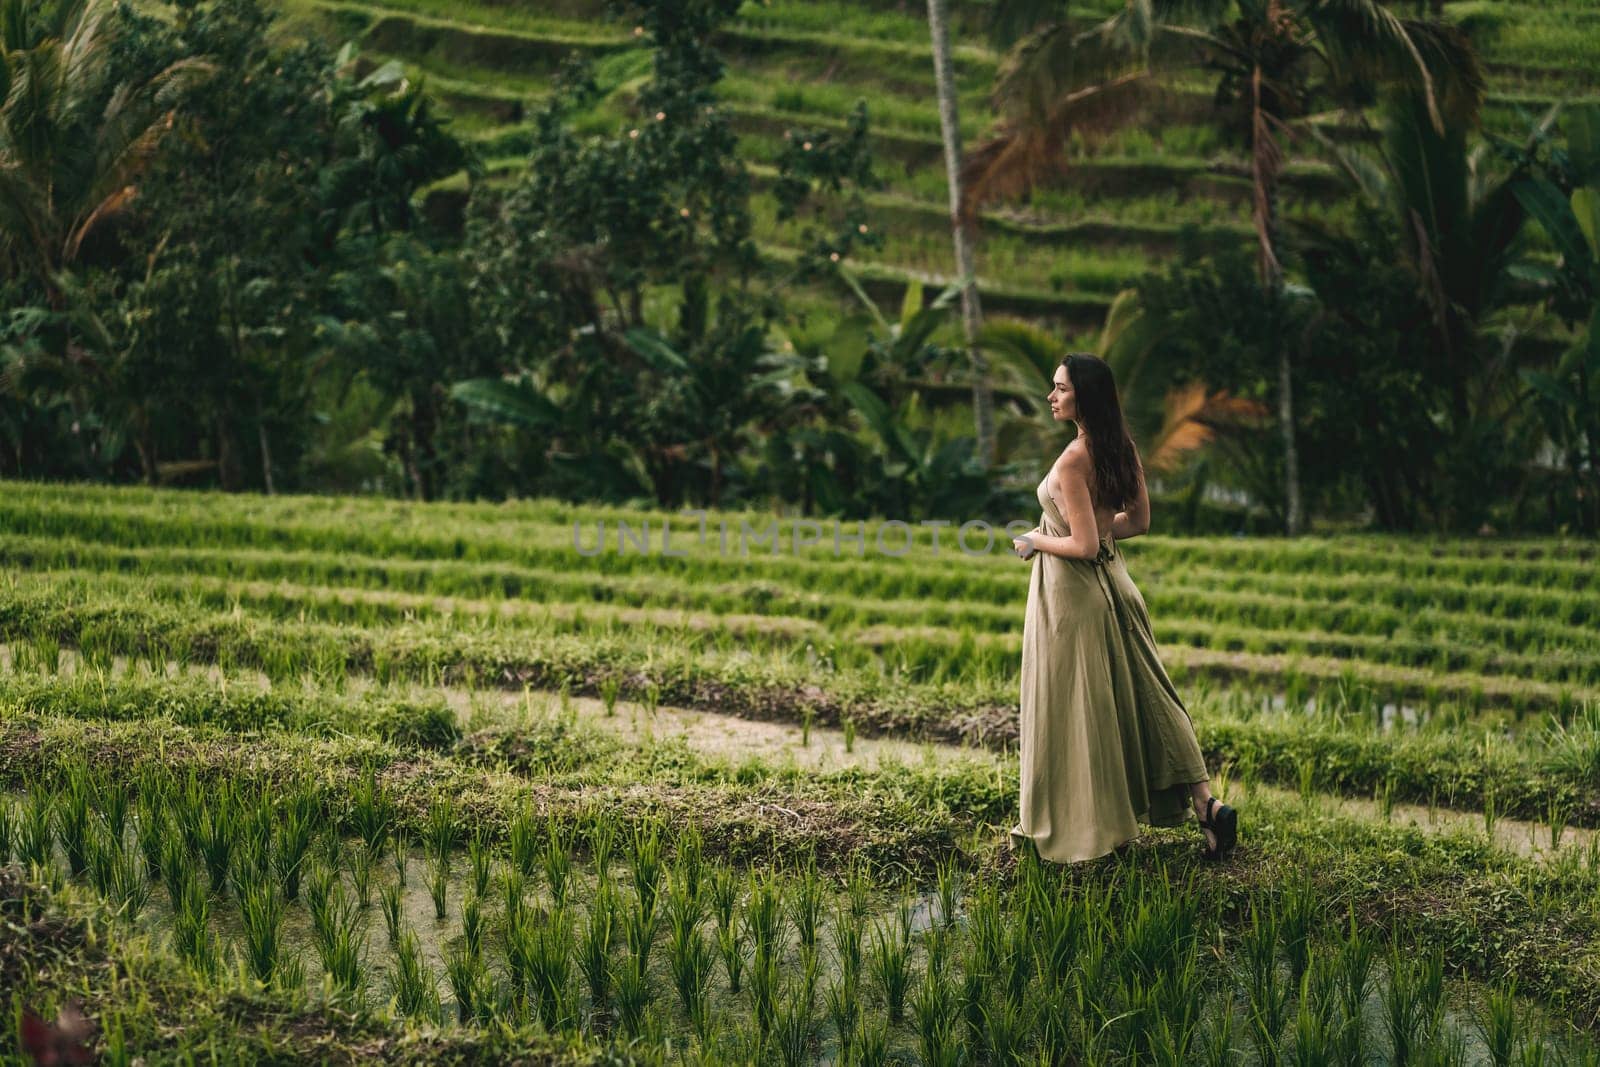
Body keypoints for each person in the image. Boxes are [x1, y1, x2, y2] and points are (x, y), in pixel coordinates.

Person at [1007, 352, 1237, 863]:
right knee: (1150, 694)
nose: (1052, 396)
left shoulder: (1073, 459)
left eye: (1061, 389)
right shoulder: (1120, 447)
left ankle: (1094, 827)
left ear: (1083, 396)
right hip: (1118, 584)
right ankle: (1206, 804)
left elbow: (1082, 547)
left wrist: (1034, 540)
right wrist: (1096, 529)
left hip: (1078, 597)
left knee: (1082, 708)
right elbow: (1138, 522)